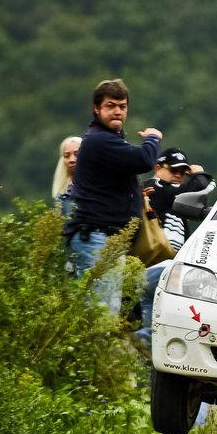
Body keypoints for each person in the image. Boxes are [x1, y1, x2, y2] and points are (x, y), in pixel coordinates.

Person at [67, 78, 162, 316]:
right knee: (101, 315)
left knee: (107, 312)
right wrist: (152, 139)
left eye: (123, 106)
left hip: (107, 240)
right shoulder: (100, 140)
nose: (118, 111)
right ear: (96, 109)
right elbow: (144, 161)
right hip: (97, 238)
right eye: (111, 105)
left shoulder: (109, 139)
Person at [134, 147, 216, 348]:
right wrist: (197, 173)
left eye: (183, 172)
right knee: (155, 335)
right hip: (158, 267)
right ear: (158, 168)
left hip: (158, 267)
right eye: (174, 170)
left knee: (158, 330)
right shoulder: (157, 187)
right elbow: (204, 187)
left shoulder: (169, 194)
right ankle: (128, 345)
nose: (178, 175)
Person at [51, 135, 81, 221]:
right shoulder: (62, 197)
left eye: (77, 154)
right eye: (67, 156)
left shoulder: (98, 189)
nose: (72, 160)